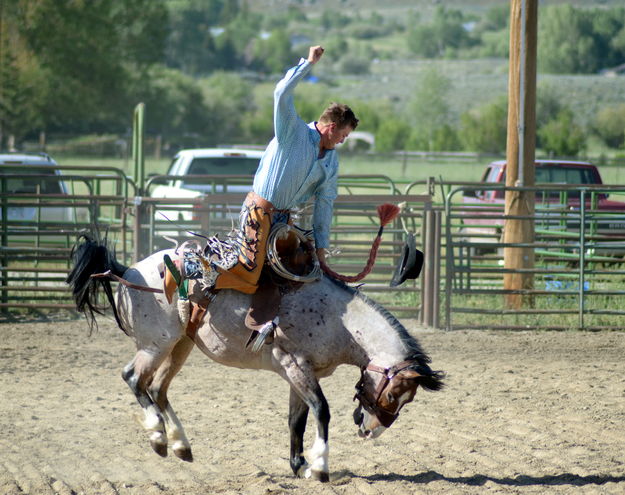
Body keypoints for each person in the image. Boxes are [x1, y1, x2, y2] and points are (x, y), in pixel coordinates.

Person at [212, 45, 359, 348]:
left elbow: (325, 204)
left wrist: (321, 250)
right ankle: (204, 280)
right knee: (250, 272)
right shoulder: (292, 131)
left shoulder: (330, 160)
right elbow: (281, 93)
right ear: (331, 127)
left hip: (283, 219)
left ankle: (275, 326)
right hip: (258, 211)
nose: (342, 142)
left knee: (298, 270)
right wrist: (308, 63)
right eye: (342, 136)